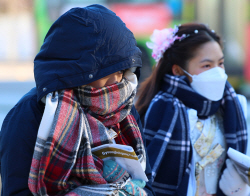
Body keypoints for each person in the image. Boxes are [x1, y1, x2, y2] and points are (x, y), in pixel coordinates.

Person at [0, 4, 155, 196]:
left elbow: (147, 182)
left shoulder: (124, 109)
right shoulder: (31, 113)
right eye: (111, 72)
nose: (118, 81)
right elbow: (16, 190)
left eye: (123, 72)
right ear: (82, 71)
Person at [135, 23, 249, 196]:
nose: (218, 72)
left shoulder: (235, 106)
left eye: (221, 63)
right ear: (179, 71)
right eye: (207, 66)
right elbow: (149, 173)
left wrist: (238, 188)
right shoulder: (163, 109)